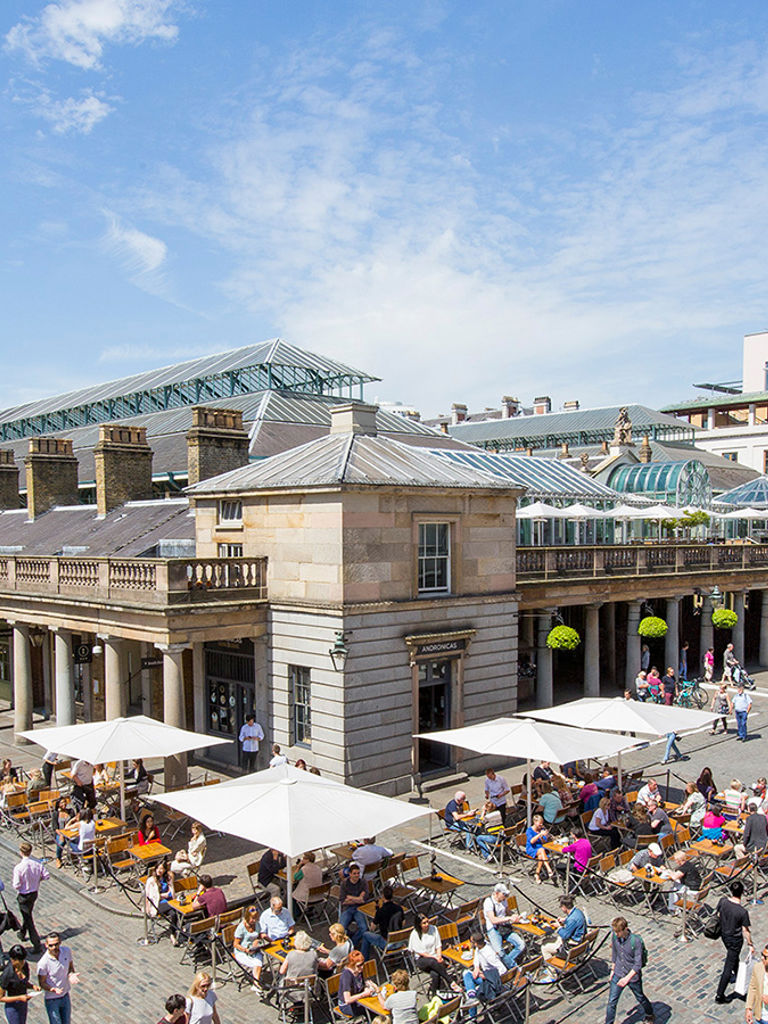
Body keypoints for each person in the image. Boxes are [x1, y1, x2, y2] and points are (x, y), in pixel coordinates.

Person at [604, 917, 655, 1024]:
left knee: (640, 997)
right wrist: (613, 970)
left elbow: (638, 964)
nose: (616, 934)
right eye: (615, 932)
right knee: (611, 1002)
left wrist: (627, 978)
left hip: (632, 976)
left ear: (625, 929)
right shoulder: (614, 936)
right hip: (618, 972)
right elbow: (615, 953)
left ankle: (649, 1013)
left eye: (618, 932)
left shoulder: (635, 941)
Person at [716, 879, 753, 1004]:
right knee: (729, 966)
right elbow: (745, 930)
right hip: (735, 940)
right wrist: (750, 944)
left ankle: (738, 976)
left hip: (724, 935)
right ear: (742, 893)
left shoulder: (723, 901)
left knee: (734, 958)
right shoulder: (742, 912)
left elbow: (719, 915)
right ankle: (719, 995)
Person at [407, 914, 461, 996]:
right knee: (433, 962)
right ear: (419, 925)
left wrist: (439, 956)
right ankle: (451, 981)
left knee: (435, 974)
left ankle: (435, 994)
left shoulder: (433, 929)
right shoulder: (415, 934)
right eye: (424, 923)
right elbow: (421, 952)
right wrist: (436, 958)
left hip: (435, 958)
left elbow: (438, 945)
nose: (427, 924)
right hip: (422, 959)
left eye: (427, 922)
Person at [12, 842, 49, 954]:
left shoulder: (19, 867)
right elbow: (46, 875)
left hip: (24, 895)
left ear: (21, 852)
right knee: (27, 914)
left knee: (29, 919)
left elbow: (16, 885)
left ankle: (36, 944)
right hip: (34, 893)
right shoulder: (37, 864)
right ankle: (22, 933)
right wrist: (37, 881)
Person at [482, 882, 526, 968]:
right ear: (497, 893)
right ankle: (514, 967)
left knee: (521, 944)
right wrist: (508, 918)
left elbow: (507, 912)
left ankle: (506, 963)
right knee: (499, 952)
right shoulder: (488, 902)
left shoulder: (503, 900)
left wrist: (514, 915)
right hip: (494, 929)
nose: (506, 897)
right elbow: (493, 920)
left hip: (504, 928)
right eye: (504, 894)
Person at [461, 930, 505, 1015]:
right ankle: (471, 996)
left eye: (471, 942)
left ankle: (472, 1008)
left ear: (476, 943)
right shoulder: (480, 947)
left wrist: (485, 976)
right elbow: (477, 957)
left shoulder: (489, 954)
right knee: (467, 975)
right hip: (486, 976)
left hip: (491, 982)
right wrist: (476, 968)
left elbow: (502, 970)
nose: (470, 944)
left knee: (467, 978)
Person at [37, 933, 76, 1024]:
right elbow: (42, 983)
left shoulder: (66, 951)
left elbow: (70, 967)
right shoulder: (43, 963)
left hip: (65, 995)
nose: (54, 947)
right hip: (52, 999)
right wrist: (52, 989)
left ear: (60, 943)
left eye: (56, 944)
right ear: (46, 945)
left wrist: (71, 974)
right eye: (51, 945)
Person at [359, 886, 404, 960]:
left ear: (383, 896)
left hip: (387, 944)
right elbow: (403, 922)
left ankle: (364, 960)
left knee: (365, 935)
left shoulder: (381, 911)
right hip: (399, 941)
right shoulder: (399, 908)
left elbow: (372, 928)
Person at [0, 944, 38, 1024]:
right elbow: (1, 998)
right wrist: (19, 998)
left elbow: (23, 983)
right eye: (19, 960)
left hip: (23, 1004)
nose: (21, 962)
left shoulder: (25, 966)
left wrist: (32, 986)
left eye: (22, 960)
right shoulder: (7, 974)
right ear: (12, 960)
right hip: (13, 1006)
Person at [541, 895, 587, 960]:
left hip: (571, 947)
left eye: (561, 907)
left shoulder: (572, 919)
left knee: (544, 947)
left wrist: (558, 927)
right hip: (579, 942)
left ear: (564, 907)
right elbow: (574, 923)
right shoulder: (577, 912)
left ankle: (551, 968)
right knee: (545, 940)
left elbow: (565, 935)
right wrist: (565, 920)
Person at [145, 861, 178, 943]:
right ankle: (181, 928)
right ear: (155, 869)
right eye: (158, 868)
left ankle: (172, 934)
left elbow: (171, 891)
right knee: (176, 907)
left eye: (162, 869)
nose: (160, 870)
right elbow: (148, 895)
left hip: (168, 902)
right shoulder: (151, 880)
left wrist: (168, 894)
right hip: (157, 904)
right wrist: (147, 908)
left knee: (174, 914)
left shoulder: (167, 878)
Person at [233, 906, 264, 991]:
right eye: (252, 918)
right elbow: (235, 944)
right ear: (247, 917)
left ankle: (255, 984)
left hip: (254, 950)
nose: (254, 921)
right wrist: (245, 950)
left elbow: (259, 935)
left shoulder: (257, 924)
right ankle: (256, 983)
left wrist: (257, 940)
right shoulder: (241, 928)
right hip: (242, 951)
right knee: (255, 964)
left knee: (258, 962)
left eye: (256, 918)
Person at [338, 950, 377, 1017]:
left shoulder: (358, 970)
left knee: (375, 1002)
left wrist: (367, 988)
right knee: (372, 1009)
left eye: (362, 964)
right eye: (359, 965)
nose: (362, 967)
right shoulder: (347, 976)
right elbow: (347, 1000)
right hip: (347, 1005)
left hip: (358, 999)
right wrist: (364, 994)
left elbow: (361, 985)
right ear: (352, 965)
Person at [338, 863, 369, 942]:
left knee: (364, 928)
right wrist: (358, 898)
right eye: (354, 873)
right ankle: (349, 937)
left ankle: (353, 942)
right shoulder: (344, 884)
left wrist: (351, 898)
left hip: (359, 908)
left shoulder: (363, 882)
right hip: (347, 908)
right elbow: (343, 901)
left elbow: (364, 899)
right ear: (350, 874)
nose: (357, 875)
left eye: (358, 873)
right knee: (341, 928)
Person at [526, 814, 556, 883]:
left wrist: (544, 836)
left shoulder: (541, 829)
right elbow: (532, 841)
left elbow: (544, 842)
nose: (541, 825)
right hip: (532, 848)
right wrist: (539, 835)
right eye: (540, 824)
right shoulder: (529, 830)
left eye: (542, 823)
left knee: (541, 855)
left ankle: (537, 874)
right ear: (535, 822)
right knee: (542, 851)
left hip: (540, 849)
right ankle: (549, 869)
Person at [746, 945, 768, 1024]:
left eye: (765, 957)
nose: (762, 958)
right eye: (762, 954)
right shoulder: (758, 967)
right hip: (760, 1016)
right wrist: (749, 1008)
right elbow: (752, 987)